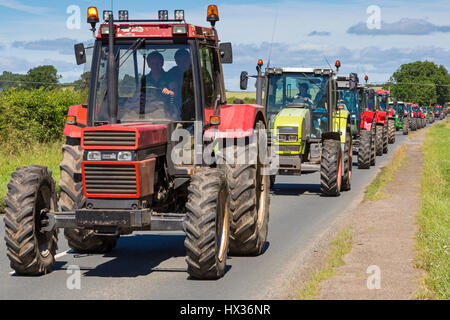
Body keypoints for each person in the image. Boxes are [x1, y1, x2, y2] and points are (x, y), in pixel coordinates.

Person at [167, 48, 195, 121]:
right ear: (176, 62)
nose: (182, 64)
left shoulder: (199, 72)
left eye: (184, 61)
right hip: (176, 106)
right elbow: (165, 85)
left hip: (196, 107)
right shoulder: (172, 72)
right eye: (179, 61)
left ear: (190, 60)